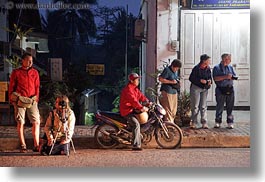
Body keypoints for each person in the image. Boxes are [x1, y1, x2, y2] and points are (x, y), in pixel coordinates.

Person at [9, 53, 40, 153]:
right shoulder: (16, 72)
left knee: (36, 122)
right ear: (23, 60)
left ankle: (37, 145)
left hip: (32, 100)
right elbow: (11, 87)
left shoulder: (35, 72)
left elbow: (37, 87)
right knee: (20, 122)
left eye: (31, 61)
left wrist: (36, 99)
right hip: (20, 100)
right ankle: (23, 145)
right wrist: (13, 100)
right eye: (28, 60)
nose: (30, 63)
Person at [119, 73, 150, 151]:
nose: (138, 81)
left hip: (133, 110)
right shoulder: (128, 89)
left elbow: (141, 96)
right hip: (127, 111)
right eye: (136, 79)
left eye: (138, 79)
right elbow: (134, 101)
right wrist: (141, 107)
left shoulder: (135, 88)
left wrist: (148, 102)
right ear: (132, 80)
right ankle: (136, 145)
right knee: (136, 124)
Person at [213, 53, 237, 129]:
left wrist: (232, 77)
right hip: (220, 89)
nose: (229, 60)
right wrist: (226, 77)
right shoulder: (216, 68)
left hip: (230, 88)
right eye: (228, 59)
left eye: (230, 59)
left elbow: (234, 76)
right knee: (220, 106)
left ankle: (230, 122)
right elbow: (216, 78)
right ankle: (218, 121)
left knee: (230, 106)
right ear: (224, 59)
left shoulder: (230, 67)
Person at [189, 54, 212, 129]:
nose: (209, 61)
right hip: (196, 88)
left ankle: (204, 122)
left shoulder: (208, 68)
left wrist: (209, 81)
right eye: (208, 60)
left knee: (203, 106)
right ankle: (193, 122)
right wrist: (200, 81)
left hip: (205, 89)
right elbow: (191, 78)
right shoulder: (196, 68)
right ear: (204, 61)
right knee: (195, 106)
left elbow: (210, 78)